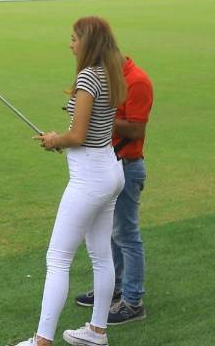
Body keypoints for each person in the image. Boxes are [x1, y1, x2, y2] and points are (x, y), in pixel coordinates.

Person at [13, 16, 127, 346]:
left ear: (88, 42)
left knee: (58, 259)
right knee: (101, 256)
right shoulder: (110, 71)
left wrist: (54, 140)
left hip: (90, 177)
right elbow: (88, 132)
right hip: (109, 169)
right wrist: (61, 139)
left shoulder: (89, 76)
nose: (71, 44)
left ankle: (41, 341)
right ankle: (97, 332)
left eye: (74, 38)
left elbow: (77, 135)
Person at [74, 54, 154, 325]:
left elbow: (136, 130)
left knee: (126, 234)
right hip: (108, 164)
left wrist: (93, 116)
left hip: (127, 166)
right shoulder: (108, 77)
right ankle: (114, 289)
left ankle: (133, 302)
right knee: (110, 232)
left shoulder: (137, 81)